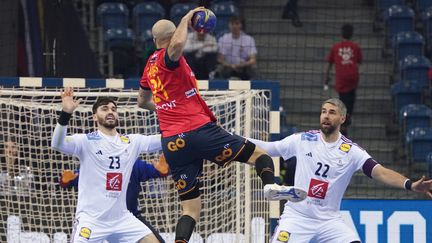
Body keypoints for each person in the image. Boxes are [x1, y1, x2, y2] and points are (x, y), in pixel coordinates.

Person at [137, 8, 306, 243]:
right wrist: (186, 19)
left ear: (154, 40)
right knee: (260, 155)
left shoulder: (149, 66)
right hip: (198, 130)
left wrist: (166, 107)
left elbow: (142, 102)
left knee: (190, 209)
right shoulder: (169, 58)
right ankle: (270, 186)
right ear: (174, 34)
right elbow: (175, 48)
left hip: (172, 142)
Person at [247, 98, 432, 243]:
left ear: (342, 118)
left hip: (329, 221)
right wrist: (232, 139)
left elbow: (380, 172)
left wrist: (410, 184)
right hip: (297, 217)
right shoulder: (302, 140)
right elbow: (269, 148)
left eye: (332, 112)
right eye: (323, 112)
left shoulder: (351, 151)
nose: (326, 116)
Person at [51, 87, 162, 243]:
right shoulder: (86, 141)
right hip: (91, 220)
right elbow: (57, 144)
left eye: (113, 109)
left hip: (122, 219)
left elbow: (163, 140)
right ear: (95, 117)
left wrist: (176, 118)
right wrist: (66, 113)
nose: (110, 111)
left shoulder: (132, 141)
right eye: (104, 109)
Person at [59, 157, 169, 243]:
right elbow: (70, 181)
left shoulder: (133, 165)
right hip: (98, 219)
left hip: (129, 218)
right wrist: (66, 180)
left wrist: (162, 171)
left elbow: (157, 171)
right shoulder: (95, 167)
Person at [324, 23, 363, 136]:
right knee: (351, 100)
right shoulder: (355, 47)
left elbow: (329, 64)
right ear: (352, 34)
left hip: (341, 78)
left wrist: (326, 77)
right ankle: (345, 122)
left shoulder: (336, 47)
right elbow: (359, 61)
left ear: (342, 34)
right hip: (353, 77)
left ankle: (343, 124)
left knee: (343, 100)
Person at [216, 16, 257, 80]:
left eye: (237, 23)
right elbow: (220, 59)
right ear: (229, 25)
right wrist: (231, 66)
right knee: (219, 69)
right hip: (228, 67)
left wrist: (241, 65)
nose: (234, 26)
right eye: (232, 24)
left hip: (244, 67)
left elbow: (253, 60)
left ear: (241, 25)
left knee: (253, 68)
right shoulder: (223, 39)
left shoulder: (249, 39)